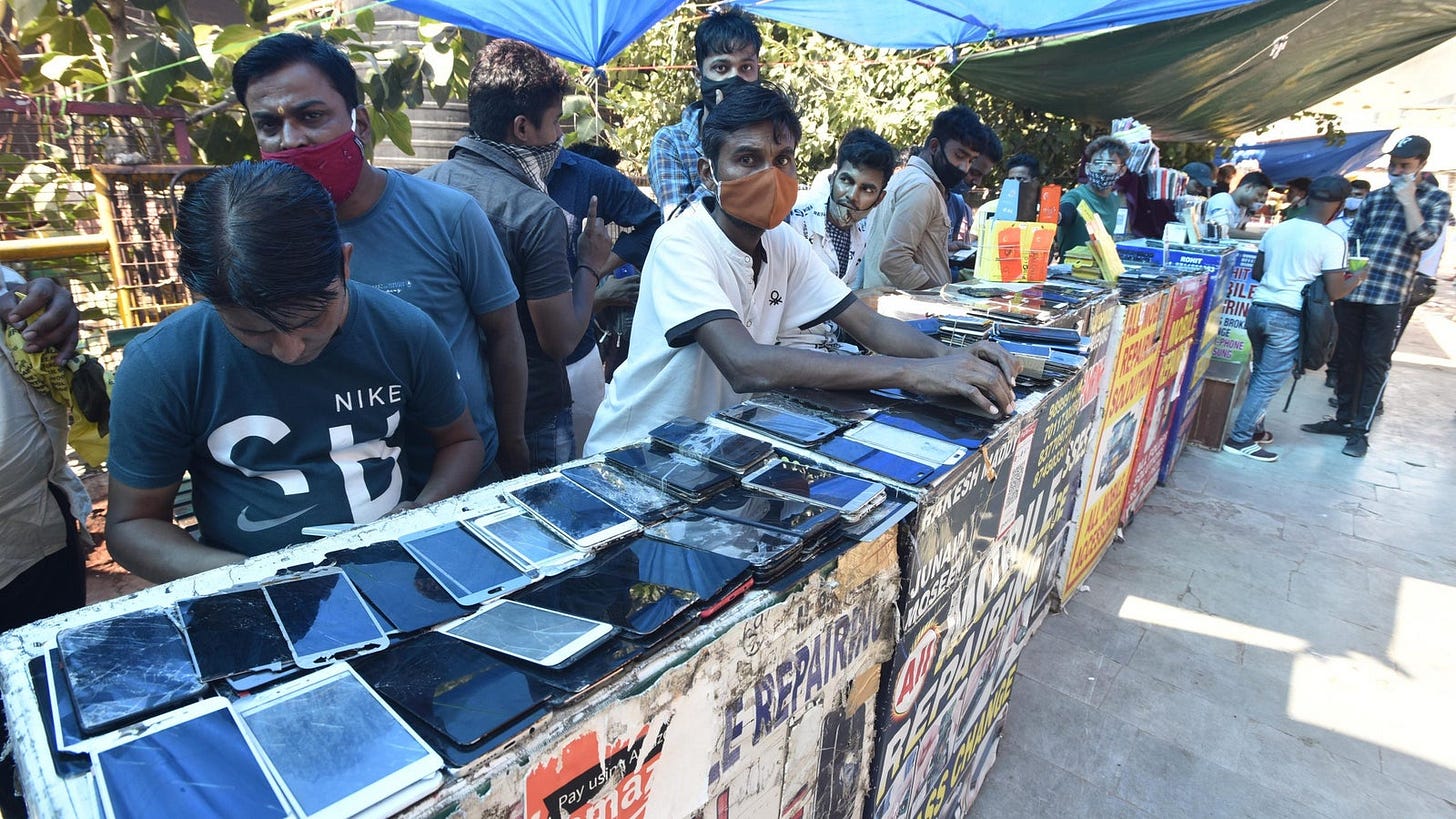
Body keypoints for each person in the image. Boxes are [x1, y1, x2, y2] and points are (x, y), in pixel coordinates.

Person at [584, 84, 1018, 454]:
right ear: (708, 171)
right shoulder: (682, 240)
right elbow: (747, 364)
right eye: (748, 159)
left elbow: (867, 325)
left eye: (783, 159)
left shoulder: (781, 241)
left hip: (706, 450)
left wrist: (956, 359)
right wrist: (913, 372)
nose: (770, 176)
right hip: (637, 450)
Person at [105, 161, 483, 582]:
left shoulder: (404, 330)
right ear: (205, 298)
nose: (291, 350)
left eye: (314, 319)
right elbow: (131, 526)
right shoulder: (164, 365)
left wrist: (422, 510)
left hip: (393, 571)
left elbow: (461, 441)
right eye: (253, 331)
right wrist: (246, 577)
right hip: (251, 593)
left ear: (344, 265)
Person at [233, 33, 527, 482]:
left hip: (460, 470)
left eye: (311, 116)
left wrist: (513, 444)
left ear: (361, 125)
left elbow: (504, 337)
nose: (291, 140)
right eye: (269, 126)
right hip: (339, 490)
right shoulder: (255, 239)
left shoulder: (449, 216)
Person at [418, 39, 614, 469]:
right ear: (523, 129)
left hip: (445, 418)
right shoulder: (534, 213)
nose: (561, 136)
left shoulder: (422, 188)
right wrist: (589, 263)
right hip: (530, 418)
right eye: (557, 123)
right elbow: (559, 340)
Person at [1302, 135, 1452, 458]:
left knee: (1374, 361)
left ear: (1421, 166)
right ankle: (1342, 419)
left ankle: (1360, 431)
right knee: (1344, 356)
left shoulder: (1436, 200)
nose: (1397, 172)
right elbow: (1355, 237)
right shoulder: (1376, 197)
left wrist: (1409, 200)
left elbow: (1424, 239)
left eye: (1405, 166)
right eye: (1393, 165)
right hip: (1355, 291)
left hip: (1389, 295)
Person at [1223, 177, 1365, 462]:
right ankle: (1239, 439)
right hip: (1287, 317)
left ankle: (1254, 430)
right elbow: (1336, 290)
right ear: (1338, 206)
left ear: (1307, 197)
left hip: (1259, 309)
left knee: (1261, 372)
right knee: (1267, 380)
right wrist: (1359, 277)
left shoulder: (1278, 230)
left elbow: (1258, 273)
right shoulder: (1332, 240)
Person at [547, 143, 662, 455]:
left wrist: (597, 271)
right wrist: (598, 292)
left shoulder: (618, 254)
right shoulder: (557, 223)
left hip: (587, 357)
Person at [783, 128, 898, 350]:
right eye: (846, 180)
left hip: (827, 346)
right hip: (784, 348)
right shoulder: (792, 217)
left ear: (880, 198)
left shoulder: (862, 230)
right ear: (832, 178)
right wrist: (856, 299)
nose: (852, 195)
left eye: (867, 189)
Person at [861, 106, 997, 289]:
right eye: (959, 156)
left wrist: (943, 247)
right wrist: (940, 296)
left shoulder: (910, 178)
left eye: (970, 160)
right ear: (934, 146)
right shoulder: (921, 187)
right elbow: (895, 260)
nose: (964, 168)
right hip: (910, 310)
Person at [648, 6, 763, 218]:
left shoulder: (772, 136)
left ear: (758, 71)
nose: (735, 78)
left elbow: (778, 218)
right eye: (721, 68)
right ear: (699, 75)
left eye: (746, 67)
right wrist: (725, 135)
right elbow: (677, 223)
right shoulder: (672, 142)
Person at [1057, 136, 1131, 255]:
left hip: (1103, 270)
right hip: (1071, 270)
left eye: (1110, 164)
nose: (1102, 168)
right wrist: (1058, 216)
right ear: (1087, 168)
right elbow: (1066, 212)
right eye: (1097, 163)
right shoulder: (1075, 196)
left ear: (1122, 171)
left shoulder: (1116, 201)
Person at [971, 153, 1041, 243]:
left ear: (1034, 181)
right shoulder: (988, 208)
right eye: (1011, 179)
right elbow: (972, 240)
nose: (1015, 183)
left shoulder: (1040, 213)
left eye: (1020, 179)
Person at [1204, 171, 1272, 240]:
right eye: (1260, 194)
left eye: (1265, 196)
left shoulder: (1243, 208)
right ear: (1248, 187)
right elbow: (1221, 231)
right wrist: (1263, 237)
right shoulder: (1223, 199)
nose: (1262, 199)